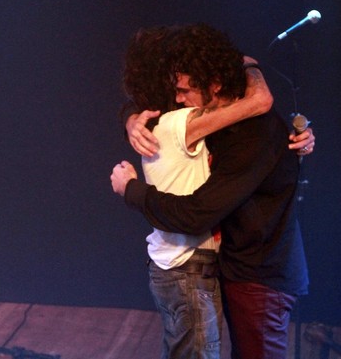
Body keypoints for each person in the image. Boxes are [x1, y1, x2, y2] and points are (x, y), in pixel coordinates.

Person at [112, 23, 313, 359]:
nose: (177, 99)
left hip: (259, 275)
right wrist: (130, 118)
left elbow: (195, 214)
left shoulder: (249, 133)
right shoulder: (199, 114)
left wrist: (131, 190)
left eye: (184, 90)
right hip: (228, 267)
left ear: (215, 84)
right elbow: (248, 84)